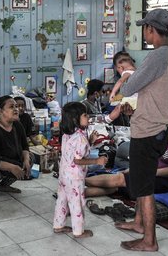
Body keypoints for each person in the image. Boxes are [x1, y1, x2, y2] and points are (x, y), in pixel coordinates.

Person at [116, 8, 168, 252]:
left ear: (151, 29)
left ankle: (149, 240)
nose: (143, 30)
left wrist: (125, 76)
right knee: (142, 177)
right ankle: (137, 223)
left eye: (144, 27)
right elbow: (158, 92)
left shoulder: (157, 56)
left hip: (147, 131)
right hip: (159, 128)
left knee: (145, 190)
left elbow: (129, 88)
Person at [85, 105, 168, 198]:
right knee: (114, 188)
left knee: (119, 178)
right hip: (150, 173)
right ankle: (75, 193)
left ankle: (76, 182)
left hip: (167, 181)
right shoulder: (166, 132)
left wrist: (150, 172)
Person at [53, 102, 107, 238]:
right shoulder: (80, 138)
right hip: (75, 177)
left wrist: (91, 140)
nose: (88, 117)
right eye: (85, 115)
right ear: (74, 119)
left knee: (62, 200)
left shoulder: (67, 134)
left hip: (64, 175)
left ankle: (58, 225)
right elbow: (78, 160)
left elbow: (76, 152)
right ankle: (78, 231)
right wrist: (97, 161)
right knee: (77, 203)